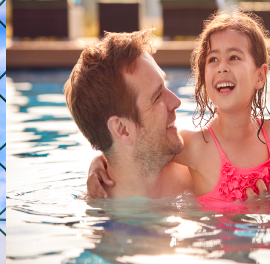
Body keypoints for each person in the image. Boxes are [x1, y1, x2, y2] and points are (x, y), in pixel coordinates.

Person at [84, 11, 270, 204]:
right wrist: (99, 163)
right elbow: (136, 152)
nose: (222, 66)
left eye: (234, 57)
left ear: (260, 76)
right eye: (213, 59)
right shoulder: (194, 146)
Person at [63, 29, 192, 199]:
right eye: (157, 96)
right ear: (122, 129)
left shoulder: (200, 171)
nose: (176, 101)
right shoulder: (99, 216)